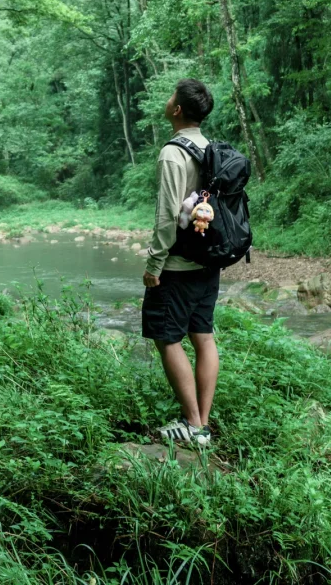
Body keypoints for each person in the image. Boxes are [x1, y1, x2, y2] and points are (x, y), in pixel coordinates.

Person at [141, 78, 220, 449]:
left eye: (171, 95)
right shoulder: (210, 147)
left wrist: (154, 265)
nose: (167, 99)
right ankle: (202, 424)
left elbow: (167, 217)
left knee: (166, 337)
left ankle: (193, 424)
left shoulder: (173, 153)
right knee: (202, 336)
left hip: (177, 266)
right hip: (209, 261)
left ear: (177, 109)